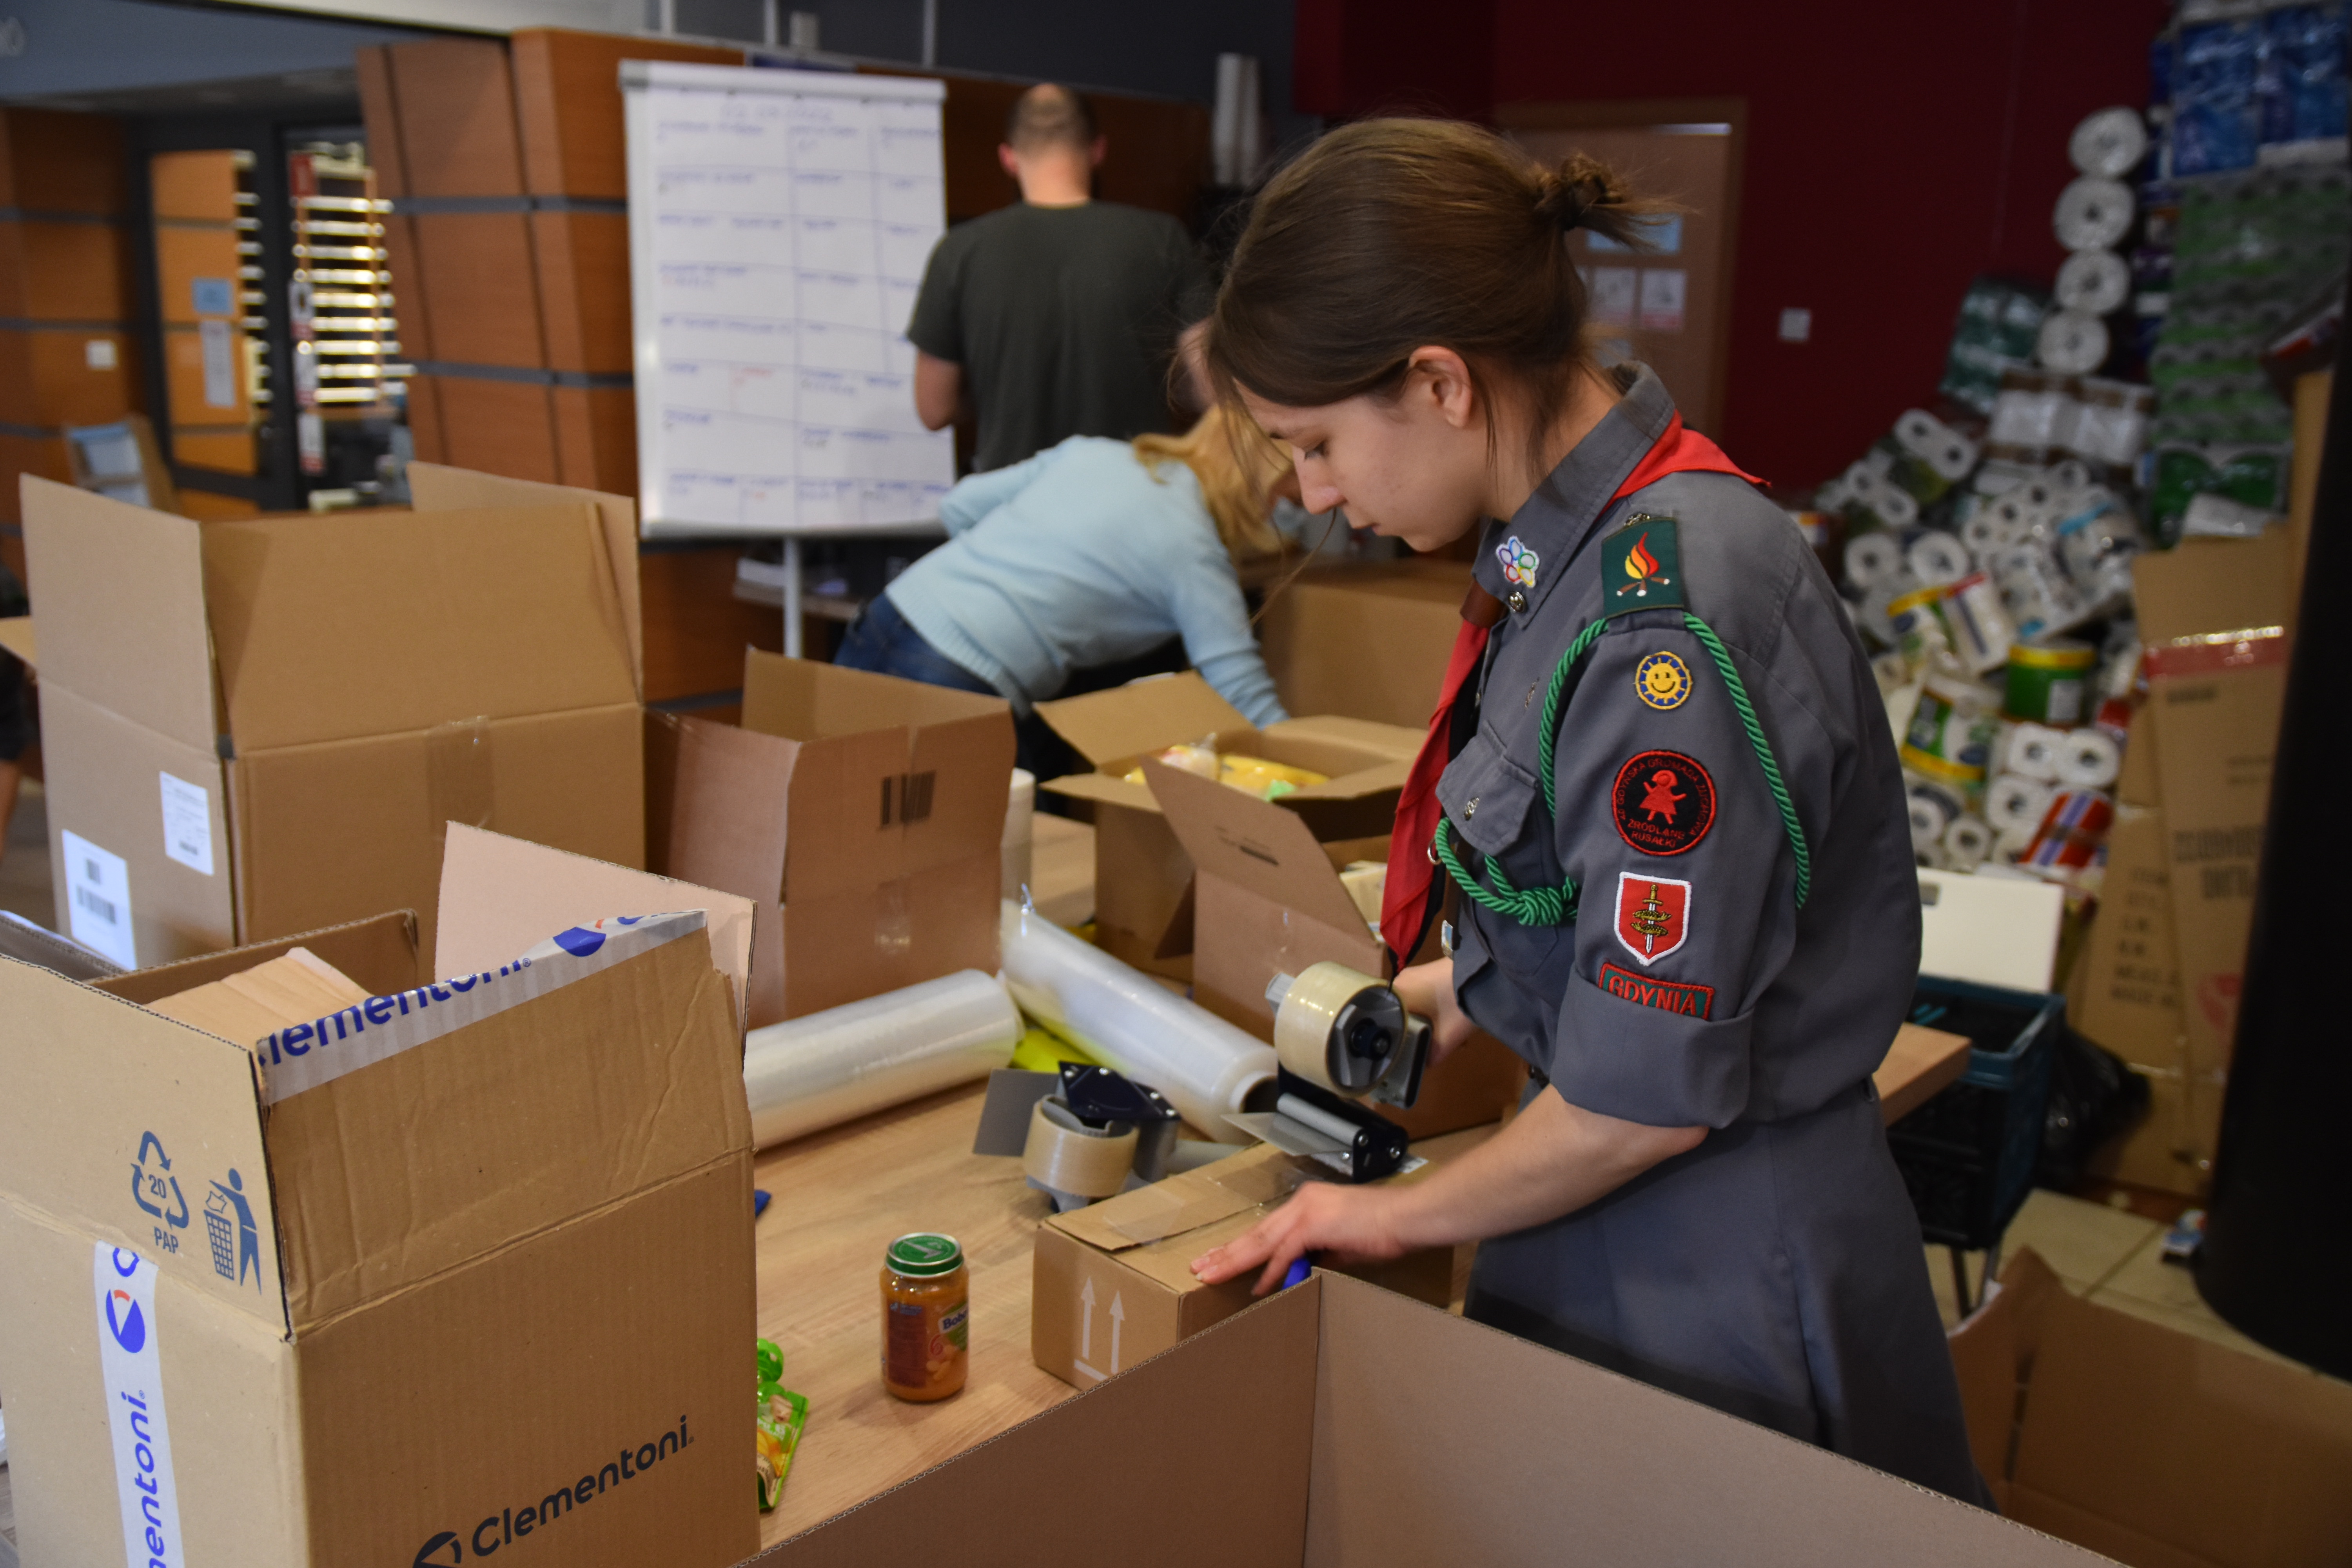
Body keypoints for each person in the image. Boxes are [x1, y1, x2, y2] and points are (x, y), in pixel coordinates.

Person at [1187, 120, 1989, 1507]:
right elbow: (1602, 894)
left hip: (1708, 1254)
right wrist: (1466, 986)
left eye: (1314, 444)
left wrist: (1380, 1219)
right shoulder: (1562, 551)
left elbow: (1641, 1096)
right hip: (1598, 1201)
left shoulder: (1659, 613)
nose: (1317, 496)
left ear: (1437, 382)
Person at [834, 403, 1291, 769]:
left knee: (848, 815)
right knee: (1005, 853)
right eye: (1283, 490)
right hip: (958, 676)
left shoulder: (1093, 454)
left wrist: (1002, 569)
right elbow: (1238, 683)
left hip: (885, 619)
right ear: (1254, 481)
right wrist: (1314, 766)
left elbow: (960, 504)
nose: (1288, 505)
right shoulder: (1193, 548)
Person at [907, 83, 1209, 472]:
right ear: (1098, 150)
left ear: (1009, 159)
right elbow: (1208, 390)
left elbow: (934, 409)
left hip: (1013, 511)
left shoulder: (959, 252)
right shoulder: (1164, 239)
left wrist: (992, 380)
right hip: (1128, 506)